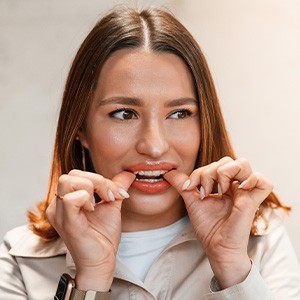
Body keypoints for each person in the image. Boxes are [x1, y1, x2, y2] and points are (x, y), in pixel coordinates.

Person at [1, 6, 300, 300]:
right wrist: (90, 279)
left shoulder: (261, 243)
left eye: (180, 113)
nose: (154, 146)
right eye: (124, 114)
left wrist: (233, 267)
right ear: (80, 128)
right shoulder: (20, 261)